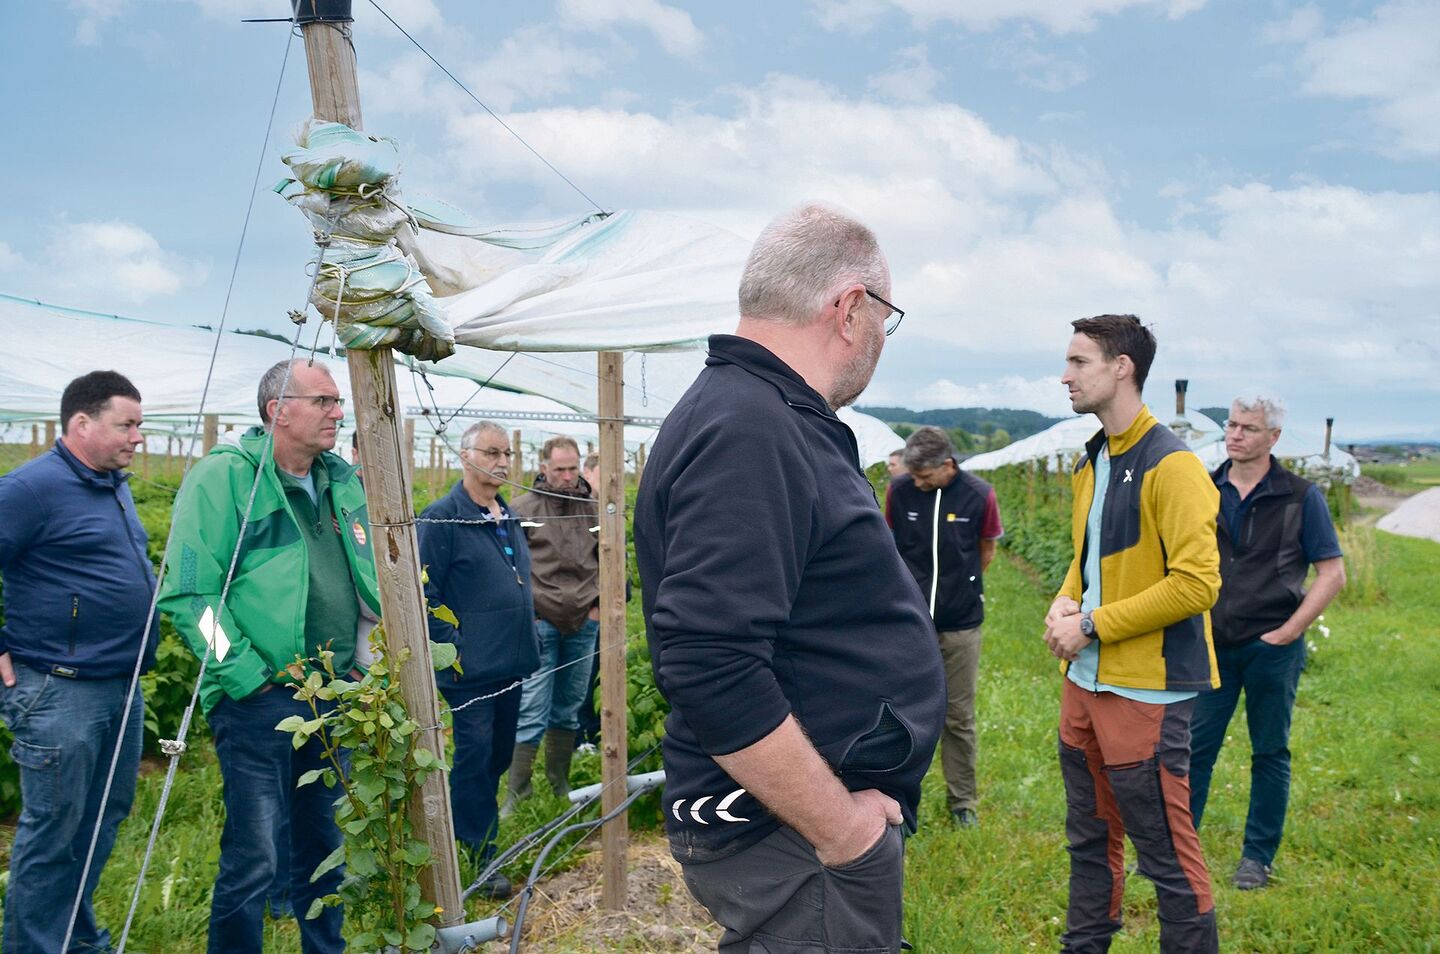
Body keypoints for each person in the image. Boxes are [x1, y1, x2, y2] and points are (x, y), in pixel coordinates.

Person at [634, 203, 945, 954]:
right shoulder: (750, 428)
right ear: (850, 308)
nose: (881, 338)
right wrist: (842, 830)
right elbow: (709, 661)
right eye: (886, 317)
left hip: (801, 829)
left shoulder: (763, 413)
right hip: (796, 838)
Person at [161, 358, 381, 953]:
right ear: (278, 410)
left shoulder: (341, 482)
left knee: (326, 849)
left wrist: (360, 661)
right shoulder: (225, 479)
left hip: (333, 693)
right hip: (260, 700)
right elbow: (189, 595)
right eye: (324, 401)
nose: (338, 412)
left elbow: (365, 577)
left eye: (338, 401)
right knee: (255, 855)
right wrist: (246, 675)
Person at [1043, 314, 1221, 953]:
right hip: (1084, 684)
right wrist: (1066, 600)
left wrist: (1091, 624)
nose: (1065, 376)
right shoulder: (1093, 459)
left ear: (1122, 368)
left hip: (1146, 691)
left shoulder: (1172, 465)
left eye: (1079, 362)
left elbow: (1197, 585)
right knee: (1089, 839)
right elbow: (1087, 557)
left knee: (1165, 854)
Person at [0, 370, 156, 954]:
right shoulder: (31, 488)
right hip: (59, 690)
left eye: (139, 425)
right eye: (126, 425)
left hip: (121, 685)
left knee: (99, 822)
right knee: (54, 833)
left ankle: (75, 937)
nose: (137, 437)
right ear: (82, 423)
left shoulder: (110, 482)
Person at [1188, 394, 1345, 890]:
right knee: (1193, 751)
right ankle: (1174, 853)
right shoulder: (1204, 488)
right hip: (1212, 645)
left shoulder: (1300, 496)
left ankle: (1257, 859)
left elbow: (1332, 573)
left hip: (1271, 648)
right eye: (1232, 425)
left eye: (1249, 428)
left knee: (1270, 751)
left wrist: (1290, 631)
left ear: (1273, 437)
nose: (1235, 435)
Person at [418, 420, 540, 900]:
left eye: (507, 453)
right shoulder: (442, 518)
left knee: (497, 756)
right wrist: (455, 649)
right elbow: (424, 595)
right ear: (465, 455)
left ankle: (470, 832)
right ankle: (477, 856)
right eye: (492, 452)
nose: (503, 462)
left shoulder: (506, 514)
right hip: (470, 672)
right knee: (474, 758)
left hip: (510, 662)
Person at [885, 425, 1003, 828]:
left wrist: (961, 589)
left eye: (924, 476)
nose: (917, 482)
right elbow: (890, 546)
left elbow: (986, 551)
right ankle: (896, 798)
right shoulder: (900, 492)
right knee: (900, 712)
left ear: (948, 465)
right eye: (913, 475)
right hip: (909, 624)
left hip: (960, 625)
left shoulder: (979, 496)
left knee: (958, 716)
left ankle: (962, 802)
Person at [504, 436, 600, 808]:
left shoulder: (593, 510)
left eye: (573, 468)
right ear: (544, 468)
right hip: (540, 621)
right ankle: (518, 792)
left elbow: (610, 558)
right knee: (532, 706)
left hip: (584, 620)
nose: (567, 476)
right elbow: (510, 566)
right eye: (560, 469)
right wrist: (526, 611)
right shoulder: (523, 508)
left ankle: (559, 783)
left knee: (570, 705)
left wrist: (599, 605)